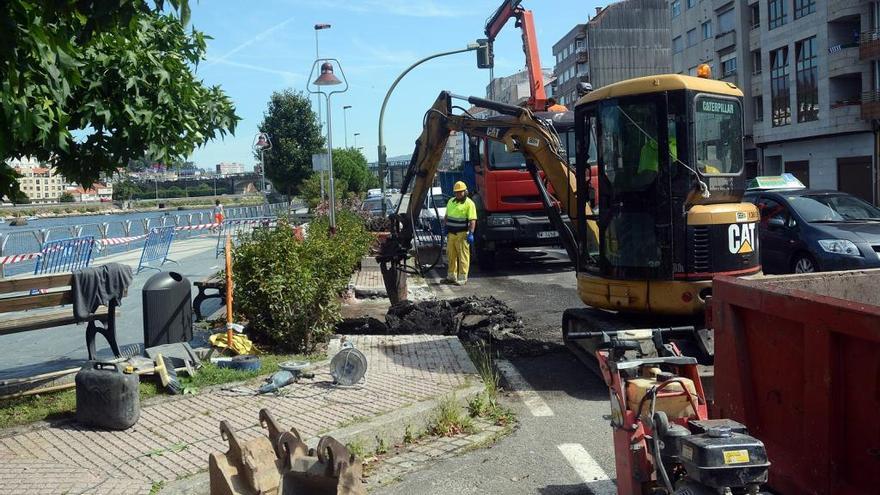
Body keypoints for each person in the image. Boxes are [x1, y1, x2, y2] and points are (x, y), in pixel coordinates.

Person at [443, 181, 477, 285]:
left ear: (465, 192)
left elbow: (472, 220)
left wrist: (471, 233)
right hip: (451, 234)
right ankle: (451, 276)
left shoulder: (469, 204)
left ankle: (462, 278)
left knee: (463, 257)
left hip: (462, 234)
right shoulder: (451, 202)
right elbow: (446, 216)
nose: (458, 194)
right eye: (456, 192)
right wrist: (445, 227)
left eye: (460, 192)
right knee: (451, 256)